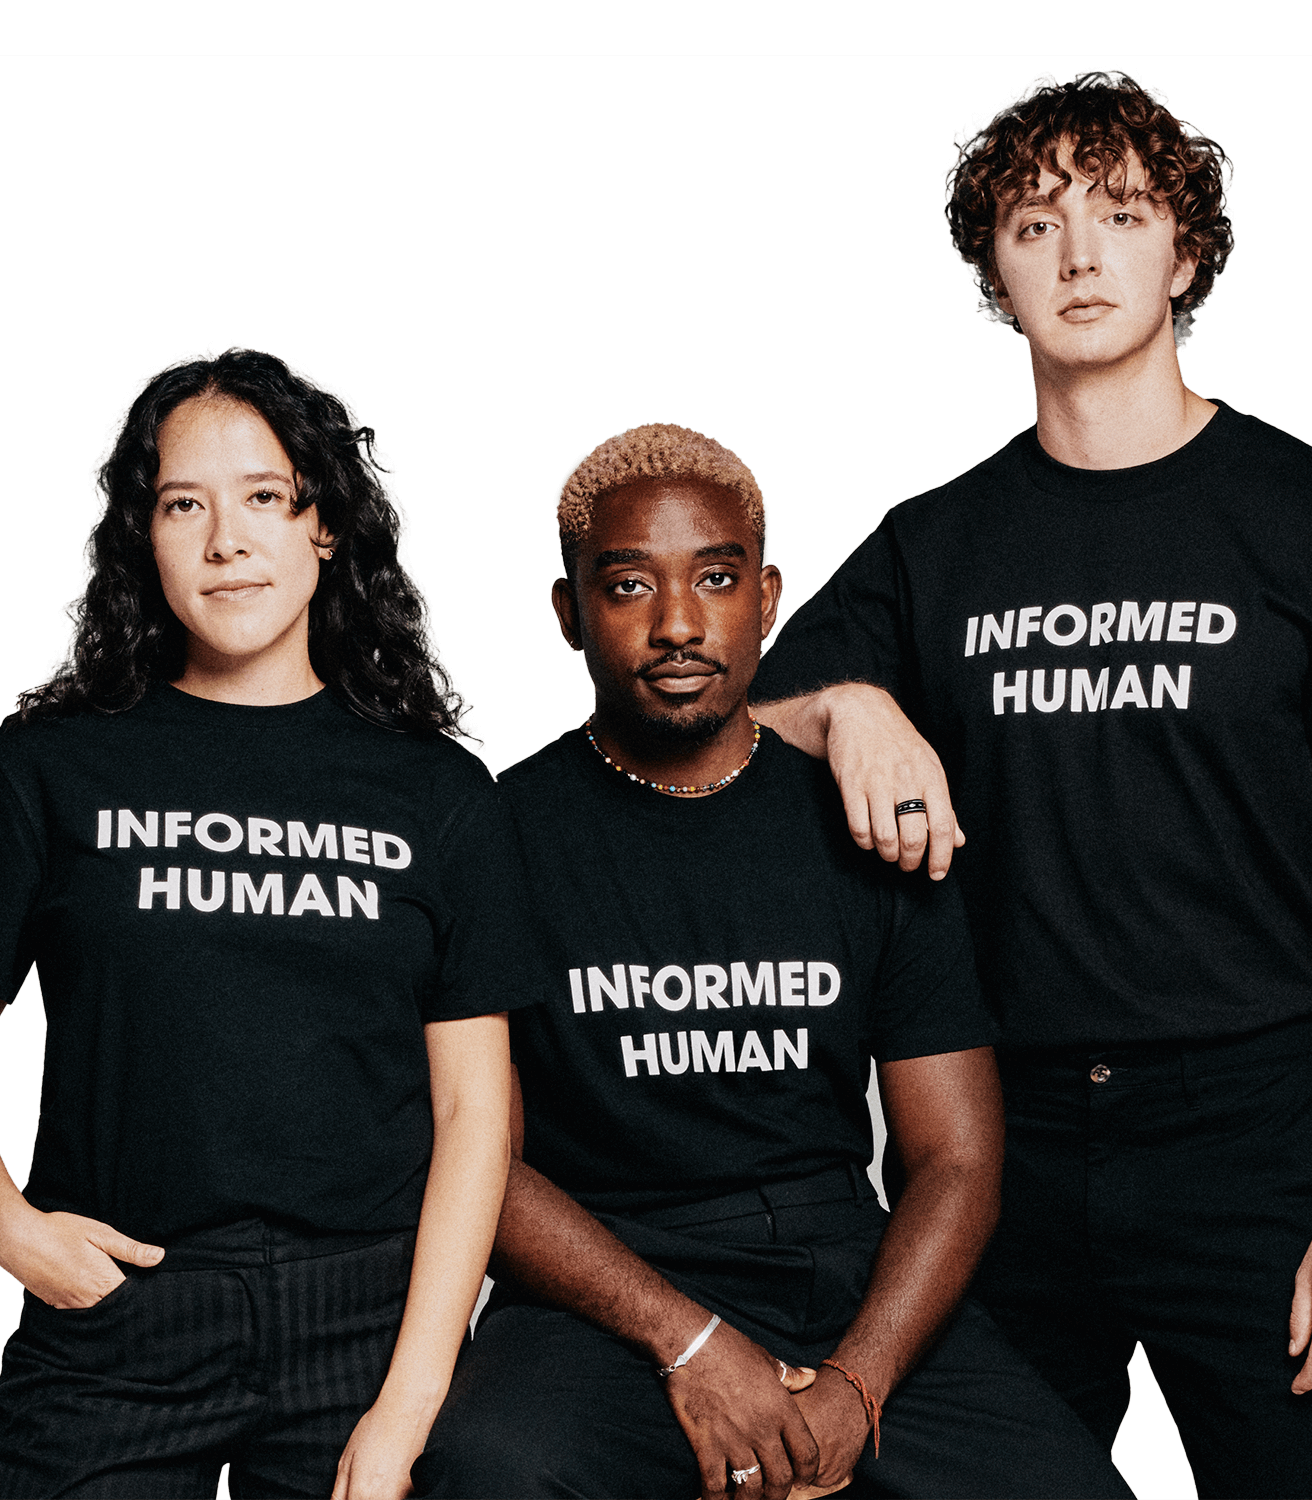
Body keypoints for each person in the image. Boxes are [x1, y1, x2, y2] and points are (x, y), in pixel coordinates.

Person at [748, 68, 1312, 1499]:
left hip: (1252, 1134)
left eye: (1122, 215)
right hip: (992, 1147)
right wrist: (858, 701)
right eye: (1033, 224)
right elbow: (740, 721)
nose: (1080, 257)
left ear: (1184, 251)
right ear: (991, 271)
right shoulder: (933, 541)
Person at [412, 422, 1131, 1500]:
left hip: (840, 1267)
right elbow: (484, 1164)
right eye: (625, 586)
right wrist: (689, 1344)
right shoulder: (493, 836)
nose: (676, 624)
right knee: (490, 1467)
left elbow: (955, 1159)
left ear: (768, 595)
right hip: (602, 1283)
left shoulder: (867, 821)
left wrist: (857, 1384)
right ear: (566, 612)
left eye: (714, 576)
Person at [0, 346, 535, 1500]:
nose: (225, 541)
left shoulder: (436, 792)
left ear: (324, 525)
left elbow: (474, 1109)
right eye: (184, 503)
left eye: (262, 498)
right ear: (142, 534)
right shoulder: (51, 765)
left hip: (367, 1320)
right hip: (119, 1318)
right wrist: (6, 1227)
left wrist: (405, 1406)